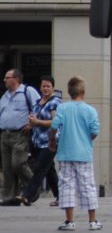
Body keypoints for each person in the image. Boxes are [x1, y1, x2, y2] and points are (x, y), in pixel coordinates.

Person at [48, 76, 101, 231]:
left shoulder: (63, 108)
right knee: (88, 186)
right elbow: (95, 131)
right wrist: (86, 138)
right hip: (84, 154)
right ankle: (93, 221)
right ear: (83, 92)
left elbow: (54, 125)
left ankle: (69, 221)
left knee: (66, 186)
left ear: (69, 92)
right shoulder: (90, 110)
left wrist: (52, 140)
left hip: (65, 153)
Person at [18, 75, 61, 206]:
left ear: (53, 88)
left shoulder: (55, 102)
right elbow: (34, 119)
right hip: (37, 141)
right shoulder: (38, 102)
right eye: (43, 86)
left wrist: (38, 122)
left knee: (39, 169)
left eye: (48, 86)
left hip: (50, 141)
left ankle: (27, 195)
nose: (45, 89)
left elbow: (55, 122)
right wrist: (31, 124)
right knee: (49, 170)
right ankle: (61, 197)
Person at [1, 69, 40, 206]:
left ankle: (32, 188)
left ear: (16, 79)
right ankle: (10, 197)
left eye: (7, 77)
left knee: (18, 163)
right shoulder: (5, 96)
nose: (5, 80)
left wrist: (31, 124)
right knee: (7, 167)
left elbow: (39, 108)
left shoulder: (27, 91)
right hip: (5, 134)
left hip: (20, 134)